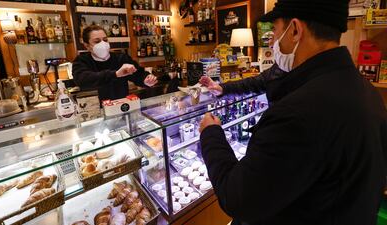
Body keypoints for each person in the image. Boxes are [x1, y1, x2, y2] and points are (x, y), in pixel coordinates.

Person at [199, 0, 387, 225]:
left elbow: (238, 199)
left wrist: (211, 134)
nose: (274, 40)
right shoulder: (367, 92)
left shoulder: (297, 112)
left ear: (295, 30)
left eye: (276, 31)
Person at [72, 25, 158, 101]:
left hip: (121, 107)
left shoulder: (121, 58)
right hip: (95, 111)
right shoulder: (81, 61)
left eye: (105, 40)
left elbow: (138, 74)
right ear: (87, 45)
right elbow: (83, 80)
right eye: (97, 41)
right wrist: (116, 74)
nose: (103, 44)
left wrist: (146, 79)